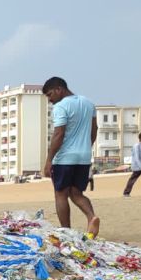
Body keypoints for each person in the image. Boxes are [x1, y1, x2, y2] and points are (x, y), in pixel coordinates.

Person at [41, 77, 100, 238]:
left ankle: (66, 231)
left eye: (50, 94)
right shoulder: (88, 103)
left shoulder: (61, 106)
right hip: (84, 156)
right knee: (76, 193)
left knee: (60, 194)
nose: (50, 99)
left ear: (59, 89)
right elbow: (94, 130)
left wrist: (49, 160)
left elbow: (59, 134)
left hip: (65, 158)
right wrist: (86, 148)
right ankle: (91, 217)